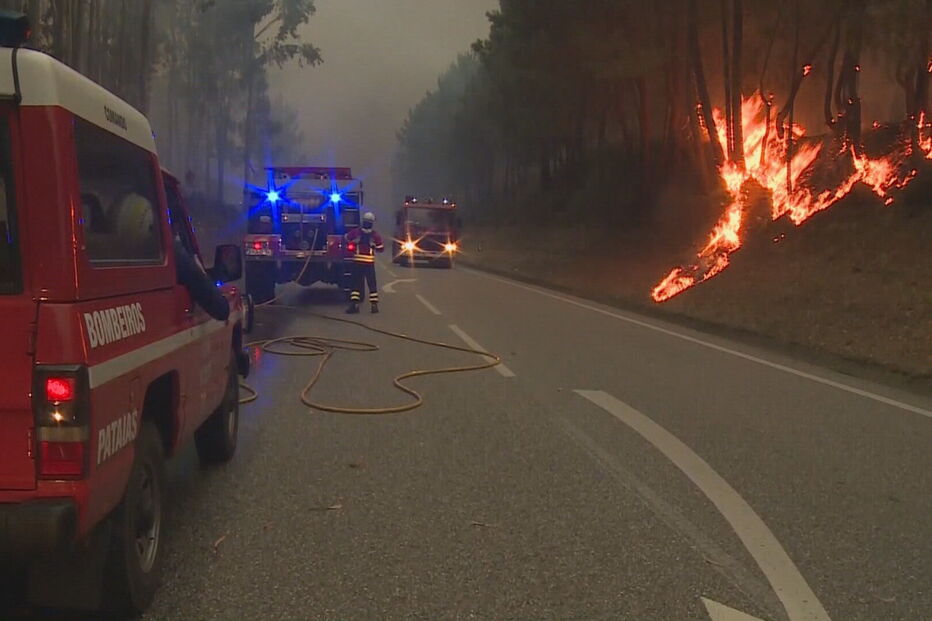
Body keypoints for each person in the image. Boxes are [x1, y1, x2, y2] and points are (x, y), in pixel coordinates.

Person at [345, 211, 384, 314]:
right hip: (369, 264)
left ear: (363, 222)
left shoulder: (356, 232)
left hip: (357, 263)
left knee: (355, 285)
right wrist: (374, 246)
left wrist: (353, 243)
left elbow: (346, 238)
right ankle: (374, 306)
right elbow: (381, 249)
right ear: (372, 223)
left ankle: (354, 305)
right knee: (372, 285)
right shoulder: (375, 235)